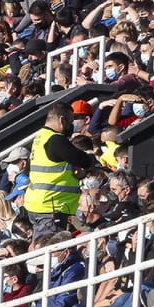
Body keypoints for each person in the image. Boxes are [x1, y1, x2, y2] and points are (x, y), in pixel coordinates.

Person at [25, 102, 99, 238]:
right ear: (62, 120)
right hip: (51, 207)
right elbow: (83, 160)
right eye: (70, 121)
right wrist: (90, 160)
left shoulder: (40, 137)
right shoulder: (55, 139)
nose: (71, 125)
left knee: (41, 244)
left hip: (38, 204)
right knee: (51, 248)